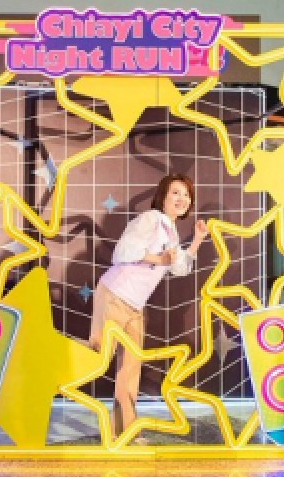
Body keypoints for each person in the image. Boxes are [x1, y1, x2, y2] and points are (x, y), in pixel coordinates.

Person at [89, 174, 208, 443]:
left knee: (130, 369)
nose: (182, 199)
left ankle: (126, 432)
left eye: (186, 195)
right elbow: (121, 252)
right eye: (175, 193)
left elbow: (179, 268)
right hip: (115, 295)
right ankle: (48, 372)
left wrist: (198, 239)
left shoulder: (170, 231)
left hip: (135, 306)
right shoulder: (151, 219)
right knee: (96, 358)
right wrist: (159, 258)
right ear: (163, 196)